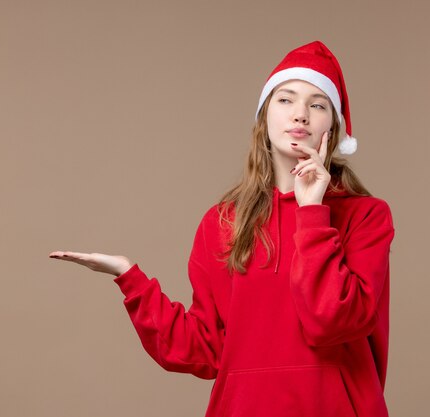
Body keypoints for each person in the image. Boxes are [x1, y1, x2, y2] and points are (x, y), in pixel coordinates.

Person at [50, 40, 395, 417]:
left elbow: (332, 322)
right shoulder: (222, 223)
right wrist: (129, 277)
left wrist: (311, 211)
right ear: (264, 119)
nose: (300, 115)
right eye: (285, 100)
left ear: (334, 125)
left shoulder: (366, 217)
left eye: (317, 104)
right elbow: (205, 348)